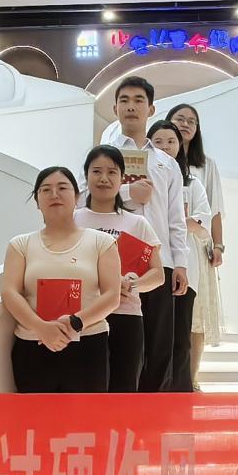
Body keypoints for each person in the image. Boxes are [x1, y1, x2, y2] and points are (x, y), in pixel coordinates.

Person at [1, 166, 121, 393]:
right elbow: (10, 292)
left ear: (77, 196)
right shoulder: (20, 244)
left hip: (88, 345)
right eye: (46, 190)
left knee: (87, 415)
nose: (54, 194)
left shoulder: (102, 242)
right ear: (37, 201)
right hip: (32, 344)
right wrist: (41, 328)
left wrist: (75, 323)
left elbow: (112, 295)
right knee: (35, 415)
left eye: (62, 188)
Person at [108, 77, 189, 392]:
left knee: (158, 346)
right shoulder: (104, 157)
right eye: (124, 100)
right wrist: (129, 192)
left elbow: (175, 218)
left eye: (139, 100)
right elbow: (87, 199)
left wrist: (180, 263)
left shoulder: (166, 163)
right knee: (117, 342)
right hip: (111, 261)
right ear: (115, 108)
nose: (131, 106)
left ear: (151, 109)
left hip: (158, 263)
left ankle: (152, 410)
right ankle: (116, 408)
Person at [73, 145, 166, 393]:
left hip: (126, 316)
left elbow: (158, 274)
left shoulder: (137, 223)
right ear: (86, 175)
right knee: (86, 395)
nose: (104, 178)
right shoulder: (74, 220)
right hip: (84, 317)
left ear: (123, 178)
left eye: (112, 172)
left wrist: (132, 285)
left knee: (123, 394)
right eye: (96, 171)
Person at [168, 103, 226, 379]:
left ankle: (191, 379)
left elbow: (215, 209)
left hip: (196, 245)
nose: (185, 124)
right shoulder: (155, 160)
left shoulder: (205, 165)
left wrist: (219, 245)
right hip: (166, 247)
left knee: (196, 315)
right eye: (180, 119)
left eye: (191, 121)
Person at [149, 119, 207, 392]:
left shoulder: (192, 184)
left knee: (180, 337)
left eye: (171, 141)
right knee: (155, 338)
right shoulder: (143, 178)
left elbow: (204, 222)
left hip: (183, 266)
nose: (165, 147)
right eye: (158, 141)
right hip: (153, 266)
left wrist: (180, 221)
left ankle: (180, 393)